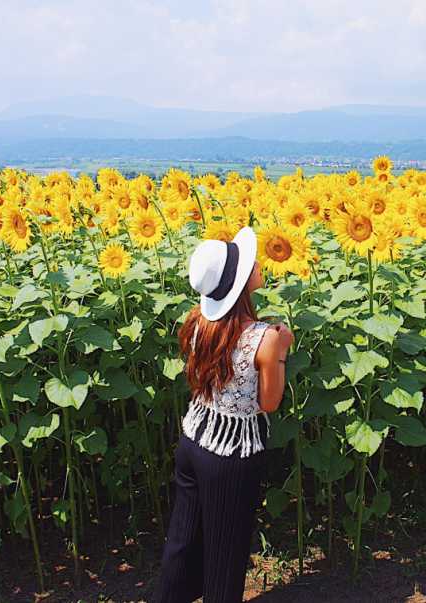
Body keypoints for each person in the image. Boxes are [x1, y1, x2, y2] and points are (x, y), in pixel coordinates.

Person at [156, 225, 294, 603]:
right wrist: (282, 349)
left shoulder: (199, 322)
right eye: (251, 263)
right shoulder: (264, 337)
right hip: (230, 455)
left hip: (195, 438)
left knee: (183, 540)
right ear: (242, 281)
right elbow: (269, 403)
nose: (258, 262)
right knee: (225, 555)